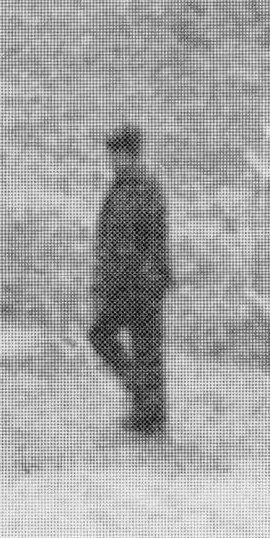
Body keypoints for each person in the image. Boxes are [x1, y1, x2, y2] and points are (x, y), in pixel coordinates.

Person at [88, 123, 174, 437]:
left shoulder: (145, 189)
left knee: (132, 345)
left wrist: (149, 281)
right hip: (124, 283)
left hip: (140, 285)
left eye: (114, 155)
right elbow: (106, 242)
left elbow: (153, 240)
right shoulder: (118, 189)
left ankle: (148, 413)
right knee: (131, 345)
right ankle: (147, 409)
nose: (110, 161)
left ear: (129, 155)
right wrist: (101, 281)